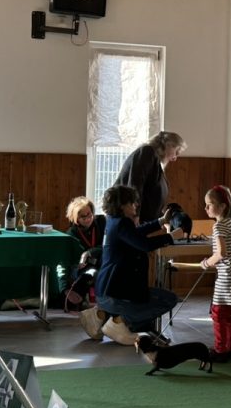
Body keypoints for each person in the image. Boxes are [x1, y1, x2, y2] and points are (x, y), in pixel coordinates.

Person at [80, 185, 182, 345]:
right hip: (114, 295)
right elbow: (145, 245)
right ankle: (118, 322)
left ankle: (103, 316)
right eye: (132, 202)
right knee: (168, 299)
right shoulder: (122, 224)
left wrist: (161, 221)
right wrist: (172, 237)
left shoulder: (114, 221)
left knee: (148, 299)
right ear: (122, 205)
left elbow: (137, 233)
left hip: (107, 292)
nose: (136, 205)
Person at [200, 185, 231, 362]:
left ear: (222, 206)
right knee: (229, 314)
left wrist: (206, 263)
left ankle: (220, 350)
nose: (206, 208)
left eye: (209, 204)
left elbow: (221, 253)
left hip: (228, 275)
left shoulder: (219, 226)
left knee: (218, 313)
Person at [114, 131, 187, 223]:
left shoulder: (154, 160)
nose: (175, 158)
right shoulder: (147, 152)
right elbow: (135, 185)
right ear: (169, 145)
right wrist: (135, 215)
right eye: (176, 151)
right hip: (132, 219)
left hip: (145, 221)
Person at [60, 196, 107, 311]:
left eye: (89, 214)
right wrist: (64, 288)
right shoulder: (71, 234)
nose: (88, 219)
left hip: (102, 263)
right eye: (83, 217)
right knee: (89, 274)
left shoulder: (101, 222)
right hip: (81, 269)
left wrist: (90, 252)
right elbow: (63, 262)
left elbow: (107, 246)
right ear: (75, 218)